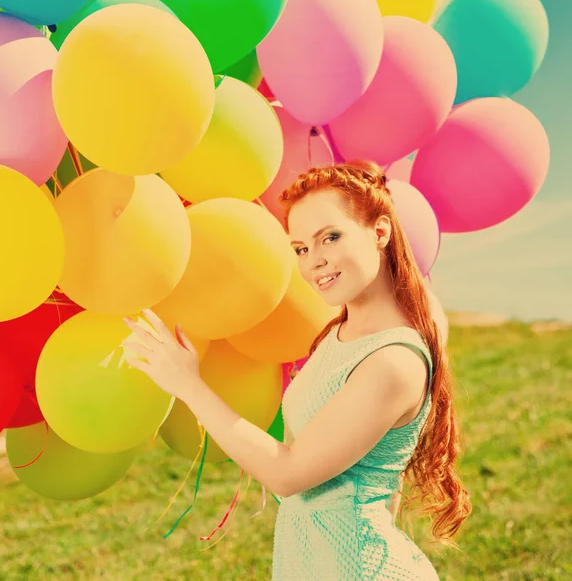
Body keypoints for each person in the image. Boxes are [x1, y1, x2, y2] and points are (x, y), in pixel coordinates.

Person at [123, 161, 471, 580]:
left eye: (331, 237)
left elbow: (288, 474)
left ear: (380, 232)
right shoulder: (337, 335)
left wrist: (188, 384)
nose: (315, 262)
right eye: (302, 249)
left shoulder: (393, 361)